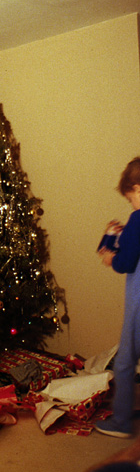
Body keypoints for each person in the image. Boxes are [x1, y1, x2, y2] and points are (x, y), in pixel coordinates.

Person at [96, 157, 140, 438]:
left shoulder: (139, 217)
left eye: (131, 199)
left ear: (138, 189)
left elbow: (126, 262)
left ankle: (121, 422)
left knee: (125, 361)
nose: (132, 206)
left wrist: (110, 257)